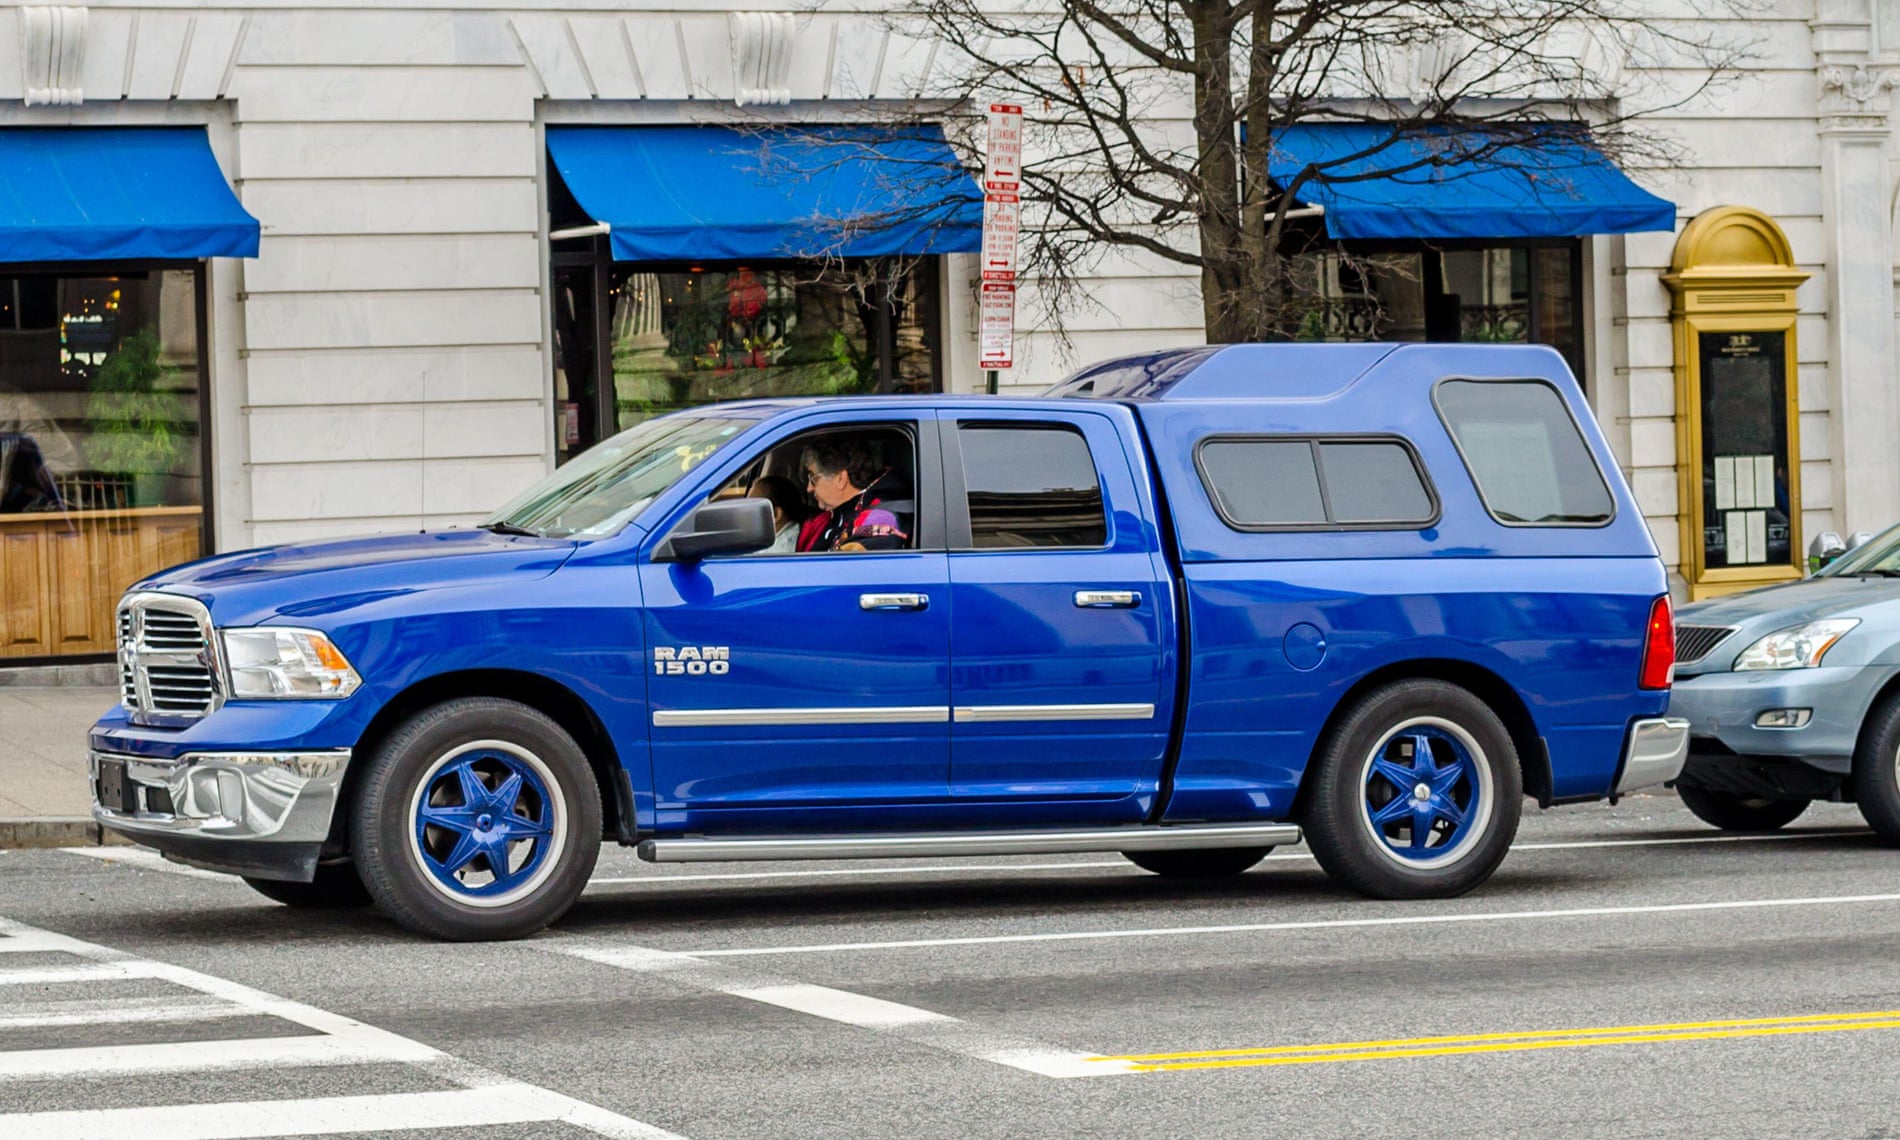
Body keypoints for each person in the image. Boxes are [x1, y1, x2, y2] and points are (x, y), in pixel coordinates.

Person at [796, 438, 907, 553]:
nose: (809, 488)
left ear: (840, 479)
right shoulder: (835, 515)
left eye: (813, 478)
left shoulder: (877, 520)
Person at [746, 474, 808, 554]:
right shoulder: (773, 539)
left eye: (751, 506)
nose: (746, 512)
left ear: (775, 515)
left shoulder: (780, 551)